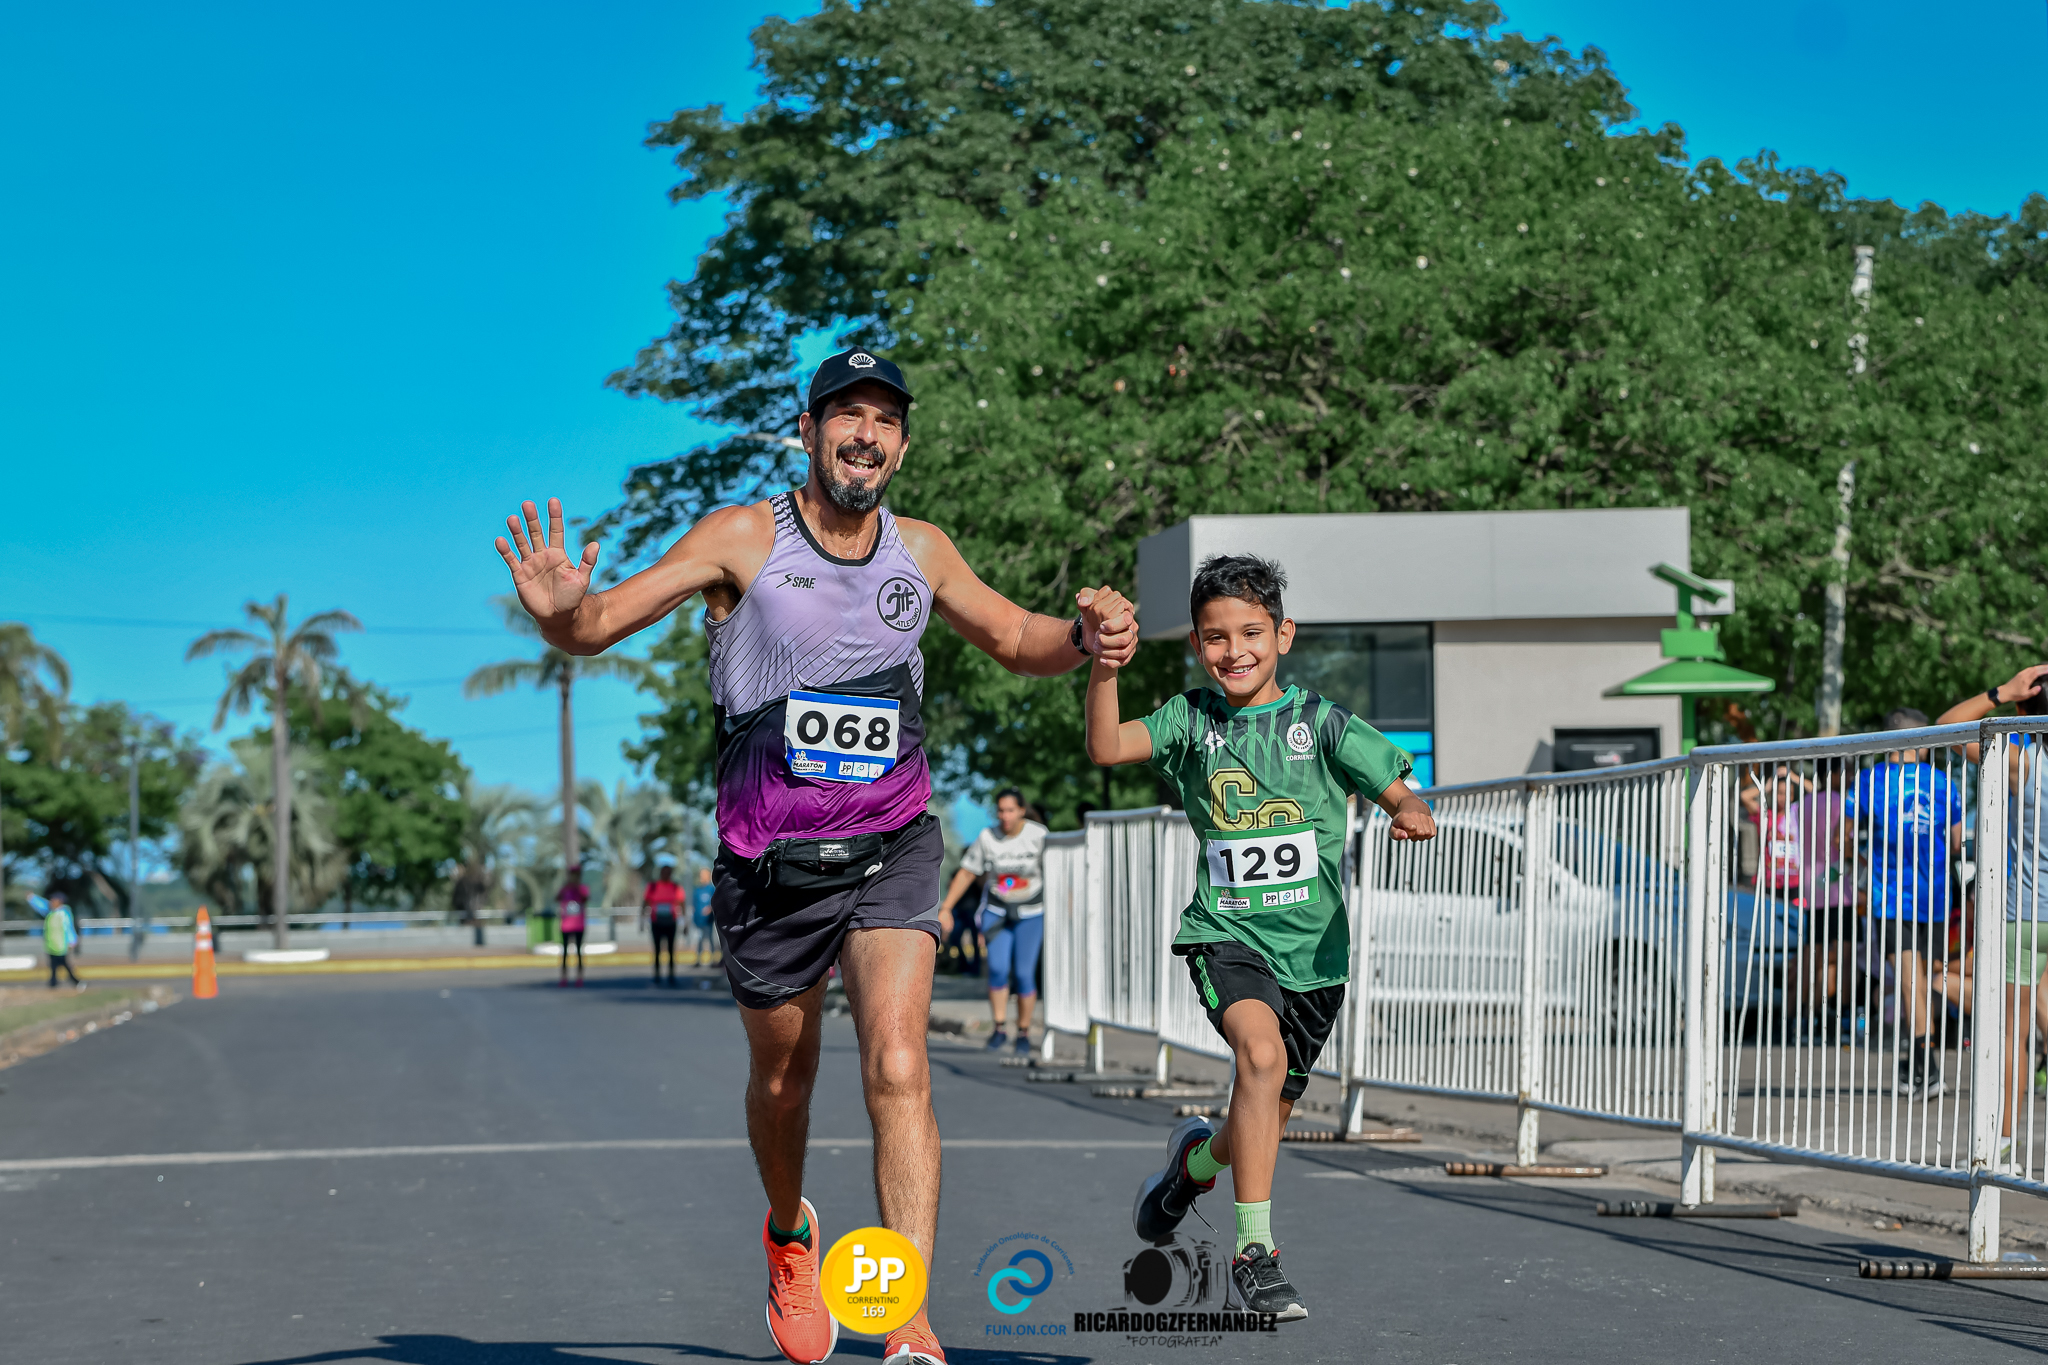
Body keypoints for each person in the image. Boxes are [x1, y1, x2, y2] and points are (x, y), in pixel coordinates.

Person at [490, 347, 1137, 1365]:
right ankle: (789, 1236)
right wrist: (563, 610)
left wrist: (1088, 637)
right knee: (783, 1082)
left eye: (883, 419)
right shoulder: (741, 537)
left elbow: (1016, 638)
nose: (864, 434)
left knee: (897, 1064)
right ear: (807, 429)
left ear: (901, 445)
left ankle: (903, 1315)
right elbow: (599, 624)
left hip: (893, 845)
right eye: (846, 414)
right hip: (770, 866)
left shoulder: (919, 550)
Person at [1083, 553, 1435, 1321]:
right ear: (1195, 646)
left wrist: (1405, 805)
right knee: (1260, 1056)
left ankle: (1193, 1165)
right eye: (1214, 637)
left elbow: (1387, 778)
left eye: (1250, 632)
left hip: (1316, 956)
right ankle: (1255, 1252)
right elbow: (1107, 748)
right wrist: (1105, 665)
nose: (1233, 650)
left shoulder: (1322, 722)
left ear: (1284, 635)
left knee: (1262, 1119)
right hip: (1226, 936)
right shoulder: (1190, 720)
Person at [1936, 663, 2048, 1165]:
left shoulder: (2020, 760)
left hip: (2023, 914)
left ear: (2025, 710)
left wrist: (2000, 692)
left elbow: (1945, 729)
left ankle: (2001, 1147)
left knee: (2011, 1034)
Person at [1847, 708, 1965, 1098]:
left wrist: (1863, 866)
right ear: (1924, 745)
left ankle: (1921, 1065)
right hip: (1935, 895)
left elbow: (1842, 837)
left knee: (1911, 980)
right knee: (1923, 980)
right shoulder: (1944, 783)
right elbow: (1958, 841)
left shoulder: (1870, 779)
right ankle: (1919, 1064)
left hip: (1890, 895)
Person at [939, 789, 1048, 1054]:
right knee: (997, 969)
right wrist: (946, 907)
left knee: (1024, 974)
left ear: (1021, 810)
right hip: (997, 910)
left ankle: (1023, 1032)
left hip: (1031, 911)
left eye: (1010, 810)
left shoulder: (1039, 835)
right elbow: (966, 873)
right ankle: (999, 1028)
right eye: (1000, 811)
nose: (1005, 816)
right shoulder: (988, 837)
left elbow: (1058, 870)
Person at [644, 864, 685, 985]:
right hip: (656, 921)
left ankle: (671, 975)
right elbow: (645, 902)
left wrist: (685, 921)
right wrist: (641, 920)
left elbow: (682, 903)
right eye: (664, 872)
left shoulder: (675, 887)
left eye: (669, 872)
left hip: (671, 922)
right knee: (657, 949)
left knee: (671, 949)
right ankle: (657, 975)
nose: (666, 875)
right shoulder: (653, 886)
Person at [34, 890, 81, 989]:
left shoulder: (64, 913)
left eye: (54, 899)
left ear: (60, 901)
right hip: (51, 945)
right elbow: (41, 905)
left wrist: (72, 940)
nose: (51, 901)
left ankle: (74, 982)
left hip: (61, 945)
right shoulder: (51, 912)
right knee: (53, 965)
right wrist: (32, 898)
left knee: (63, 964)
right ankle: (54, 983)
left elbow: (69, 927)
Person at [557, 865, 592, 988]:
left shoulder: (582, 888)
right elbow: (557, 898)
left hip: (578, 925)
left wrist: (577, 888)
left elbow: (586, 899)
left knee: (579, 952)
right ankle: (564, 977)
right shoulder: (565, 889)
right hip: (566, 925)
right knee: (565, 952)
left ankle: (579, 977)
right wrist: (567, 888)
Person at [688, 866, 716, 968]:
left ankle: (713, 960)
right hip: (698, 921)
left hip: (708, 921)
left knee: (709, 939)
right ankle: (698, 959)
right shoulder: (697, 890)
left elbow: (715, 903)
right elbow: (694, 905)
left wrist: (709, 909)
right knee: (699, 940)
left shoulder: (711, 889)